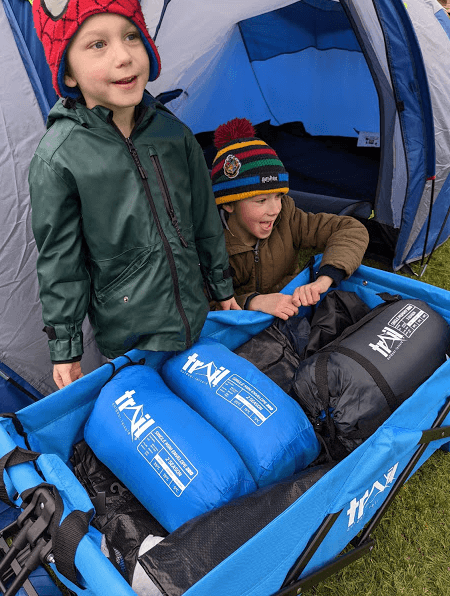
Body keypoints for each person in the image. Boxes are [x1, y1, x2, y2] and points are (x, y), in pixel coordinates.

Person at [29, 0, 238, 390]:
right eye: (97, 45)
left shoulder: (174, 135)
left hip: (194, 313)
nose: (124, 57)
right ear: (68, 73)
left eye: (131, 37)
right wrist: (66, 348)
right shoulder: (59, 159)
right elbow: (61, 262)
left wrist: (222, 287)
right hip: (127, 336)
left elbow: (205, 220)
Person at [211, 118, 370, 319]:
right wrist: (252, 301)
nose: (275, 209)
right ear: (228, 204)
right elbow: (195, 302)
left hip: (293, 313)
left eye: (278, 196)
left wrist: (325, 279)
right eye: (261, 200)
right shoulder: (208, 242)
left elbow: (350, 229)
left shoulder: (287, 216)